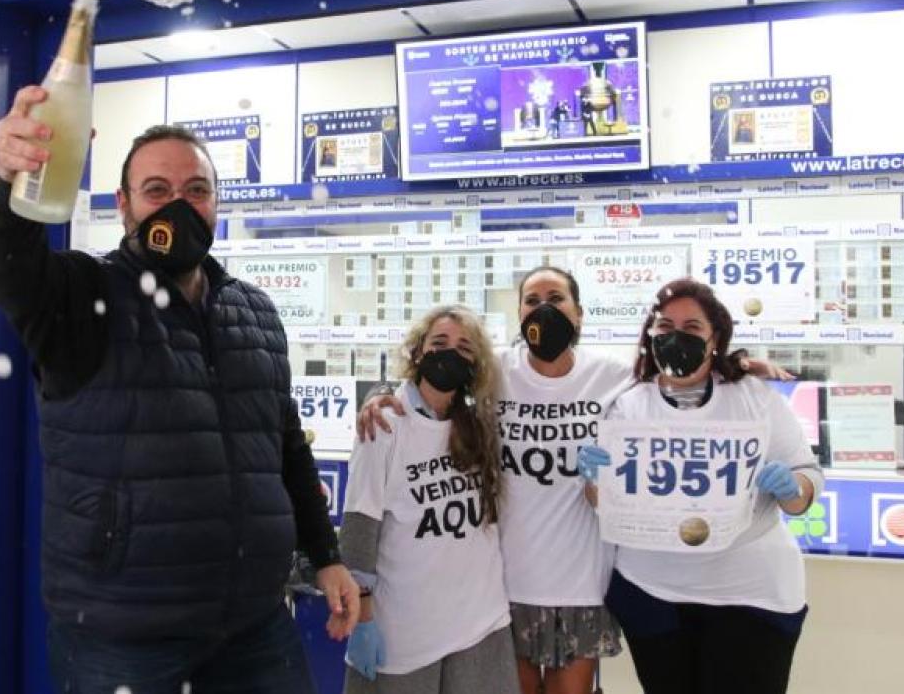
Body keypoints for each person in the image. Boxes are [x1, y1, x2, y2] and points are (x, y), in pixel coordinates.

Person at [0, 85, 360, 694]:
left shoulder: (254, 311)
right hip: (123, 637)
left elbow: (285, 446)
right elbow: (6, 261)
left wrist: (326, 554)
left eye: (197, 191)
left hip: (254, 627)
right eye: (157, 191)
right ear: (125, 206)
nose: (178, 207)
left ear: (217, 204)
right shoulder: (82, 295)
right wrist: (9, 184)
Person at [358, 269, 792, 694]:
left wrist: (733, 364)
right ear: (520, 314)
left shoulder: (614, 376)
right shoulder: (496, 374)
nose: (544, 309)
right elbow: (436, 382)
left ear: (579, 313)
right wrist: (379, 394)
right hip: (505, 585)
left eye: (556, 299)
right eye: (533, 301)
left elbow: (675, 378)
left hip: (584, 580)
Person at [579, 278, 822, 694]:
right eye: (664, 327)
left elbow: (807, 480)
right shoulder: (625, 403)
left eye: (691, 328)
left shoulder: (753, 398)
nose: (676, 338)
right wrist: (594, 482)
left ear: (715, 339)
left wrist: (791, 488)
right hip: (652, 594)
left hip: (749, 597)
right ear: (649, 336)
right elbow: (605, 502)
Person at [340, 305, 517, 694]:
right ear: (418, 351)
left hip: (480, 624)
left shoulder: (480, 425)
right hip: (405, 630)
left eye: (464, 348)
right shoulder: (384, 423)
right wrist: (363, 617)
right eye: (440, 343)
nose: (450, 353)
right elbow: (358, 530)